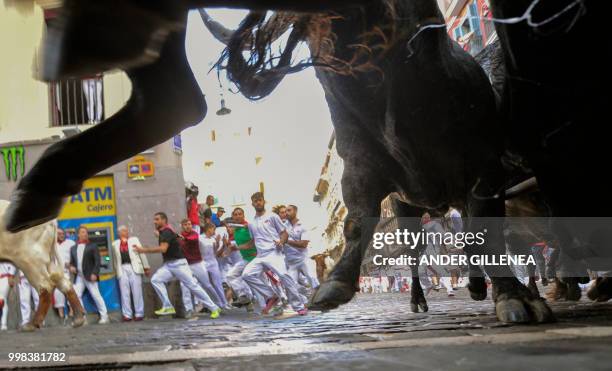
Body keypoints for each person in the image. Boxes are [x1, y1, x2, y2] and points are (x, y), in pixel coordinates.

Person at [134, 212, 221, 319]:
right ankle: (167, 305)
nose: (154, 222)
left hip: (179, 264)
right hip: (169, 264)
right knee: (156, 280)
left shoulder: (166, 232)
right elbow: (172, 236)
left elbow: (163, 248)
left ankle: (214, 308)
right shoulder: (165, 232)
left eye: (157, 219)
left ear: (163, 220)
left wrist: (143, 250)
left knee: (192, 286)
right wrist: (160, 235)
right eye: (154, 219)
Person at [235, 192, 307, 315]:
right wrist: (236, 247)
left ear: (263, 202)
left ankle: (299, 306)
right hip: (260, 256)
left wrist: (281, 242)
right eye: (255, 201)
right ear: (252, 203)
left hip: (274, 253)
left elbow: (284, 233)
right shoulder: (251, 223)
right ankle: (271, 296)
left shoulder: (272, 216)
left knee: (284, 276)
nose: (258, 202)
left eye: (260, 200)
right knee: (247, 274)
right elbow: (253, 241)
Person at [177, 219, 223, 316]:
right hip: (186, 265)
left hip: (198, 264)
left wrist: (181, 238)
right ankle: (189, 309)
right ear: (182, 226)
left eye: (189, 224)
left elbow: (191, 240)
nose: (188, 226)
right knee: (184, 286)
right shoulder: (180, 237)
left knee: (207, 285)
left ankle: (218, 303)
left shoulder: (194, 234)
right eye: (185, 225)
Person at [70, 226, 109, 324]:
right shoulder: (73, 248)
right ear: (78, 234)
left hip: (90, 275)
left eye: (86, 232)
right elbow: (72, 262)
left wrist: (95, 273)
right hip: (79, 276)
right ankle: (83, 317)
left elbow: (97, 261)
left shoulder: (93, 246)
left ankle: (104, 316)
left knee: (96, 295)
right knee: (76, 296)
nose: (85, 234)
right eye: (83, 232)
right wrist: (71, 267)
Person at [111, 225, 150, 322]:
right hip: (122, 268)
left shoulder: (134, 240)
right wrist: (116, 271)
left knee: (137, 290)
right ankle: (127, 314)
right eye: (124, 231)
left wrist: (146, 267)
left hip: (134, 267)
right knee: (124, 292)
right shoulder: (115, 244)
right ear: (119, 233)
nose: (126, 232)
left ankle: (139, 313)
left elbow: (142, 253)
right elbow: (114, 259)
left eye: (127, 231)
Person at [284, 205, 320, 293]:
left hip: (303, 259)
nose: (286, 213)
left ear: (295, 211)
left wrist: (286, 241)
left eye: (289, 210)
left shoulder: (303, 225)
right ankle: (304, 300)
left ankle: (321, 299)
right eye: (285, 211)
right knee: (291, 286)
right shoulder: (283, 226)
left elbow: (303, 244)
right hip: (291, 263)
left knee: (313, 279)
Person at [224, 208, 255, 308]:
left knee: (249, 278)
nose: (238, 216)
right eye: (235, 215)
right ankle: (243, 296)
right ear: (233, 217)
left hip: (256, 258)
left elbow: (251, 244)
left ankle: (277, 301)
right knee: (230, 275)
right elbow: (228, 252)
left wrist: (249, 227)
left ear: (243, 215)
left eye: (240, 214)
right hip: (246, 259)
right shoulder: (236, 230)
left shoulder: (249, 227)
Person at [199, 223, 231, 309]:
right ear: (208, 229)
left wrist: (221, 244)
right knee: (205, 284)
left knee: (218, 284)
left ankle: (224, 303)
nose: (214, 231)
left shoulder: (213, 239)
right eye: (213, 229)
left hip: (213, 262)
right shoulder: (200, 238)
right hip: (203, 263)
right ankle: (208, 304)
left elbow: (216, 253)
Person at [54, 228, 75, 323]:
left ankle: (71, 313)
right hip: (57, 273)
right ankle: (61, 316)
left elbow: (76, 255)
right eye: (59, 233)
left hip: (67, 272)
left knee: (69, 291)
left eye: (62, 233)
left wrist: (71, 265)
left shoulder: (71, 243)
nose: (61, 235)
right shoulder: (52, 245)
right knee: (57, 293)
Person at [0, 263, 16, 331]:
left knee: (2, 300)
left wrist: (11, 275)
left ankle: (4, 324)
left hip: (5, 277)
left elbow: (12, 262)